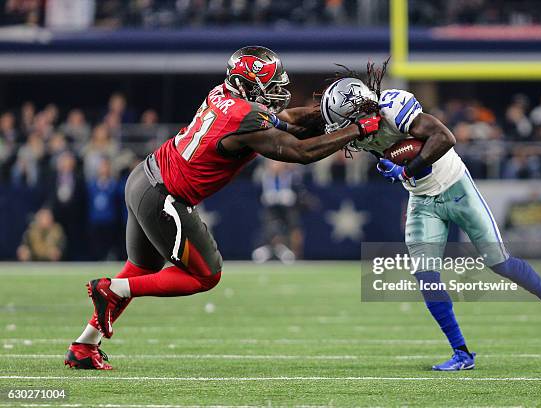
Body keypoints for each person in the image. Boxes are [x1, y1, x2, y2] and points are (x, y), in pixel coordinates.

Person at [65, 45, 381, 370]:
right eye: (270, 86)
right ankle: (111, 289)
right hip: (164, 195)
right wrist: (356, 129)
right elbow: (300, 151)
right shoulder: (245, 117)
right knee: (206, 274)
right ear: (249, 85)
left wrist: (328, 113)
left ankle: (84, 345)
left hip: (145, 177)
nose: (277, 93)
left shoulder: (226, 95)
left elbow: (287, 120)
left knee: (142, 270)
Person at [319, 67, 541, 371]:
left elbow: (445, 137)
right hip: (422, 200)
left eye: (344, 121)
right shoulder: (359, 131)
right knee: (426, 277)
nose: (342, 129)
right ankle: (462, 353)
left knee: (500, 263)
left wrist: (404, 170)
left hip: (456, 187)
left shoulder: (393, 107)